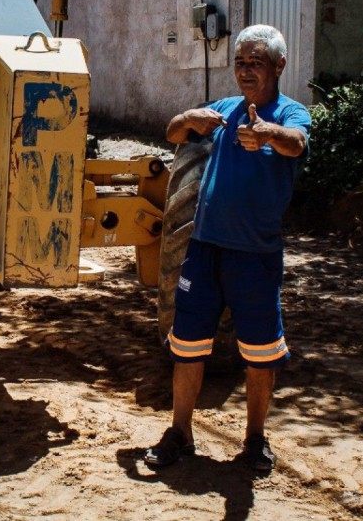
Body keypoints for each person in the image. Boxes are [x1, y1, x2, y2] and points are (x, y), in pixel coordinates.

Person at [145, 24, 311, 475]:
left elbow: (296, 145)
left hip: (255, 256)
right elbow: (173, 132)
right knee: (187, 346)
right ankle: (180, 431)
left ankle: (255, 440)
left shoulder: (291, 114)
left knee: (260, 353)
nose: (245, 71)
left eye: (255, 62)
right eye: (240, 62)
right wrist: (189, 119)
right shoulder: (224, 109)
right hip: (203, 249)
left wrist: (268, 134)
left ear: (279, 65)